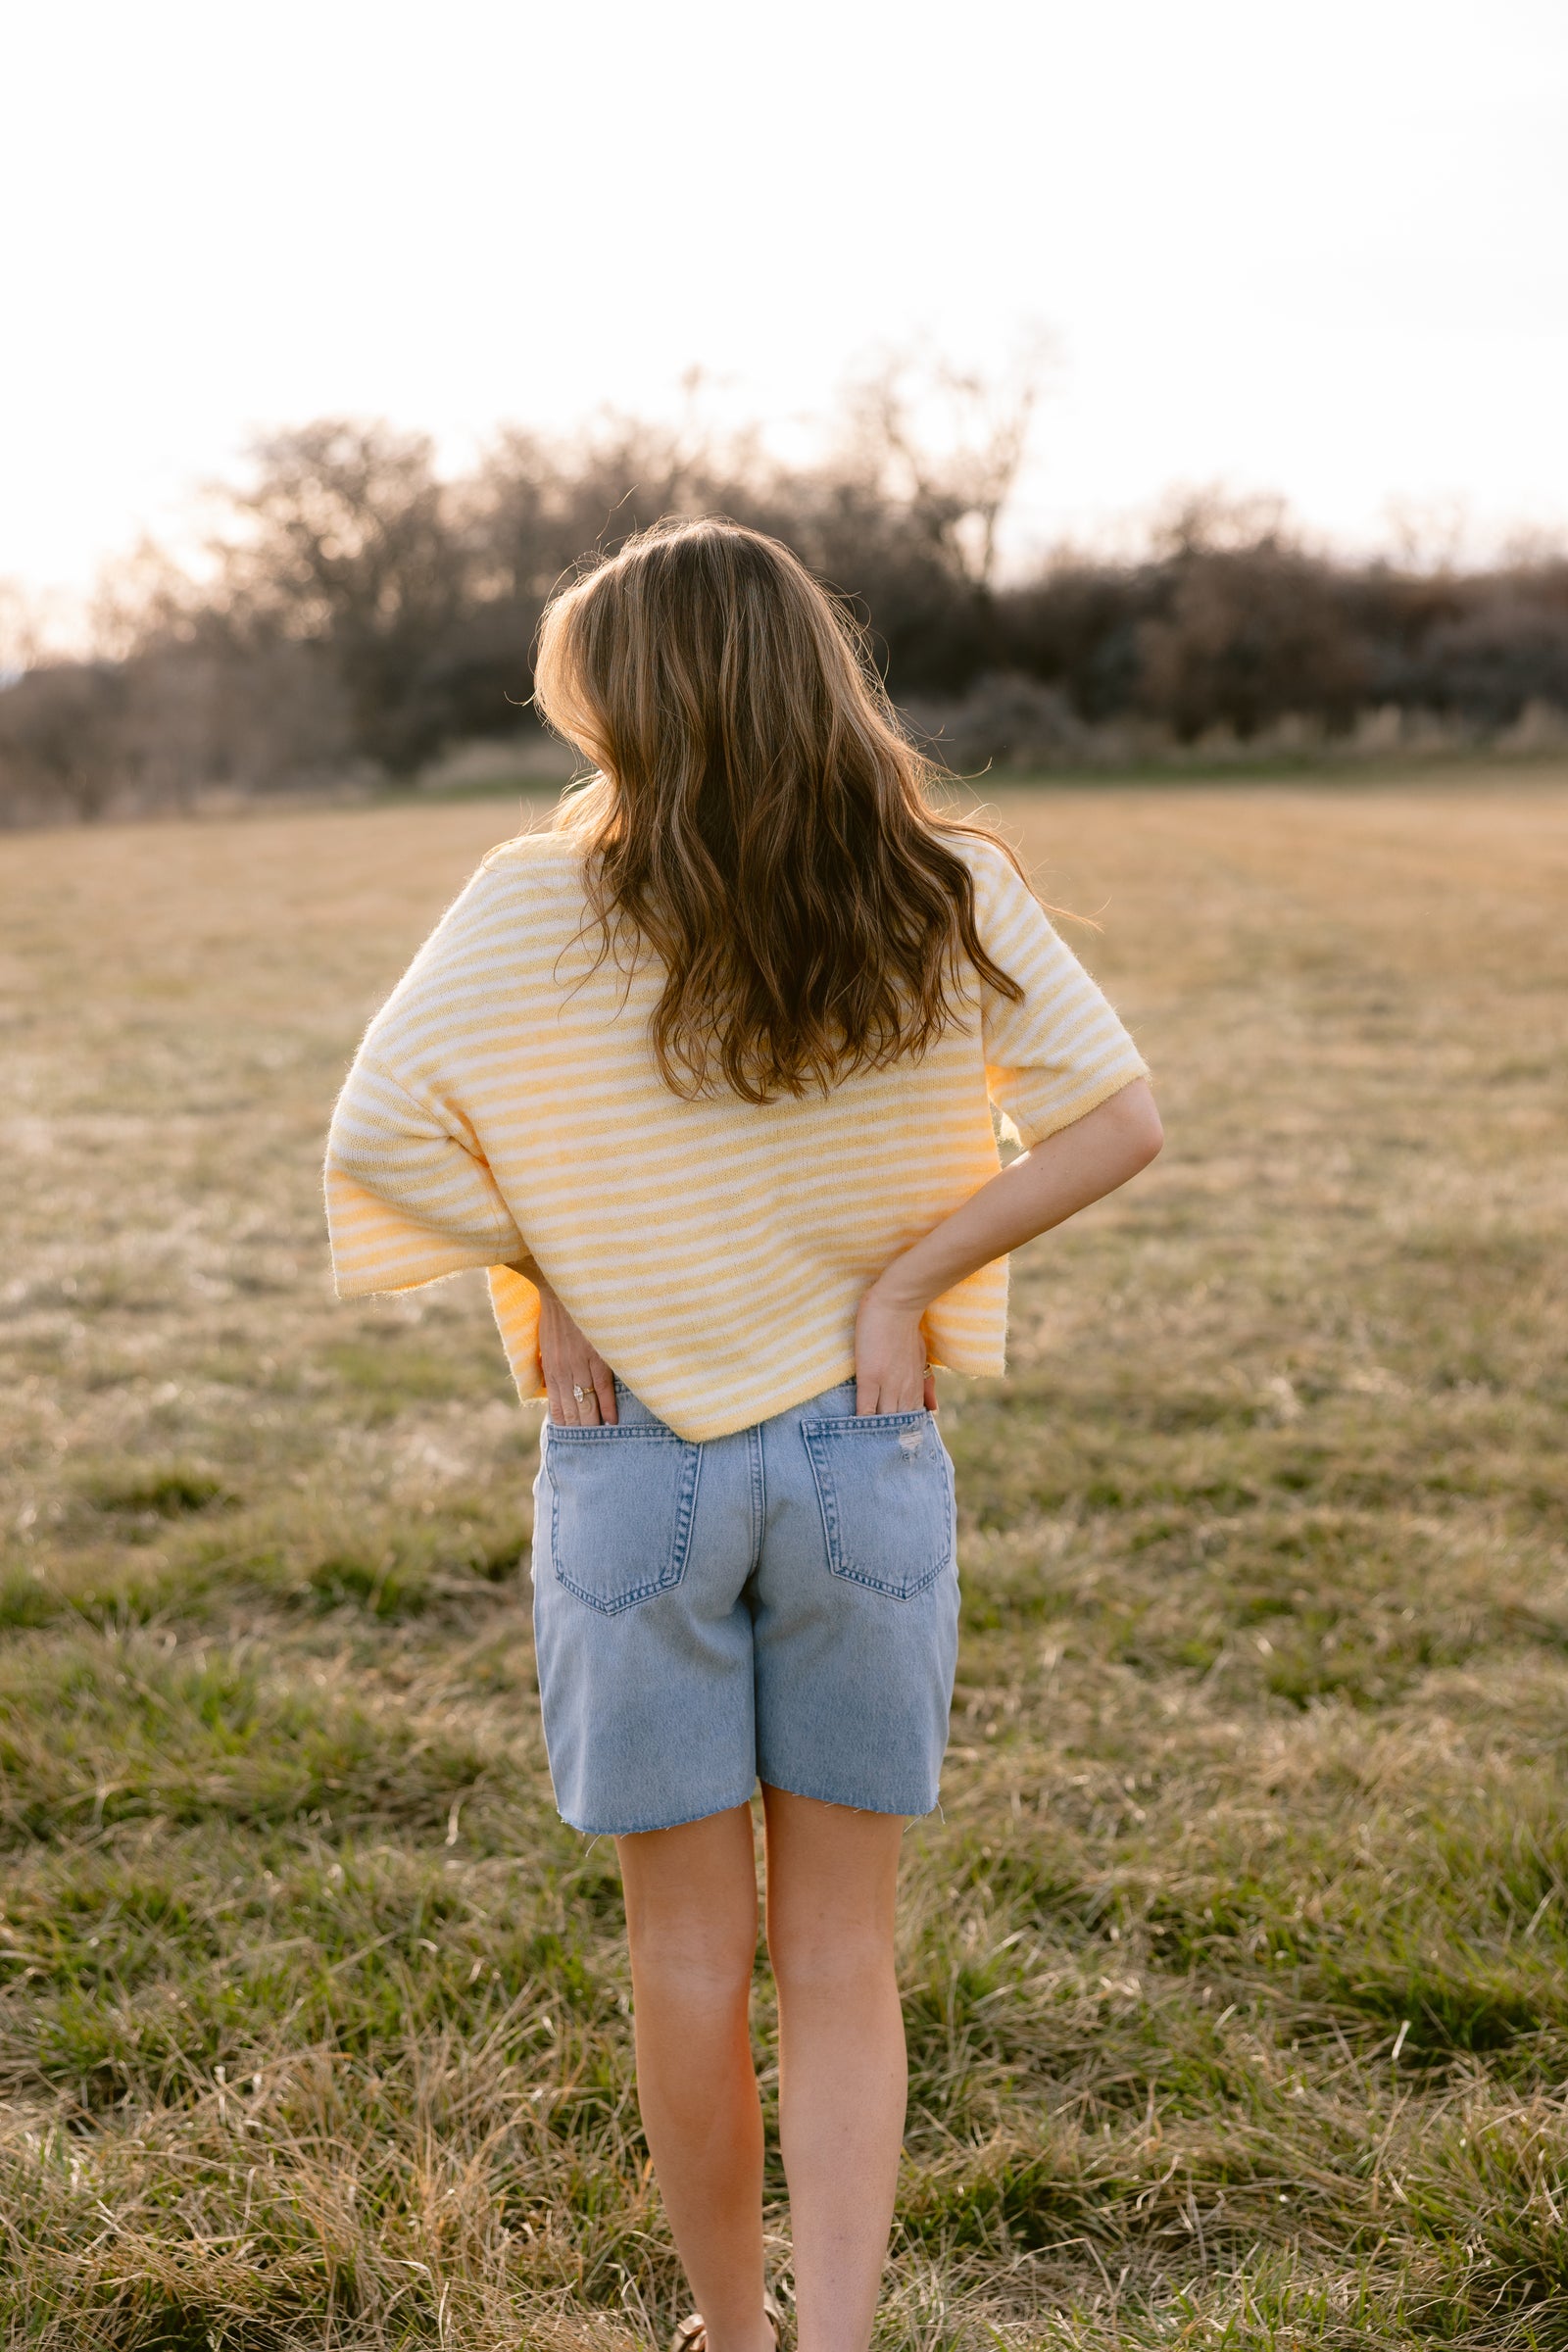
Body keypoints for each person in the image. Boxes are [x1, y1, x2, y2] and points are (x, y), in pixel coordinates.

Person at [323, 518, 1161, 2352]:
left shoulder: (533, 900)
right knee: (843, 1949)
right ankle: (837, 2339)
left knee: (688, 1958)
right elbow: (1118, 1121)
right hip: (869, 1446)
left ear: (623, 706)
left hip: (639, 1461)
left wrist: (554, 1273)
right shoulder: (938, 879)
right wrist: (905, 1287)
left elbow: (379, 1133)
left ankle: (735, 2330)